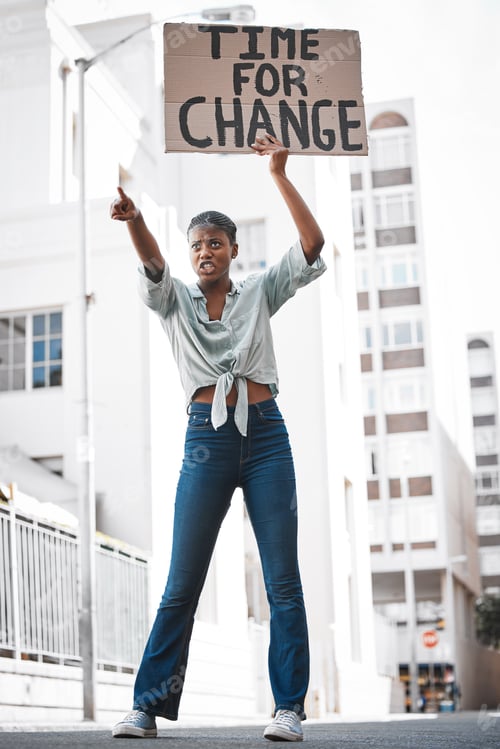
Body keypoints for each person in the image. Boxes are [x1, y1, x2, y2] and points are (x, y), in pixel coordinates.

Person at [109, 133, 326, 742]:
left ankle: (287, 709)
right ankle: (145, 709)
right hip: (205, 440)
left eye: (215, 243)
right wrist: (137, 221)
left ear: (232, 249)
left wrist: (278, 174)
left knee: (283, 580)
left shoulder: (258, 290)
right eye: (197, 245)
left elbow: (311, 247)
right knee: (183, 582)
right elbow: (153, 264)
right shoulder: (174, 299)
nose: (205, 251)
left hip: (267, 441)